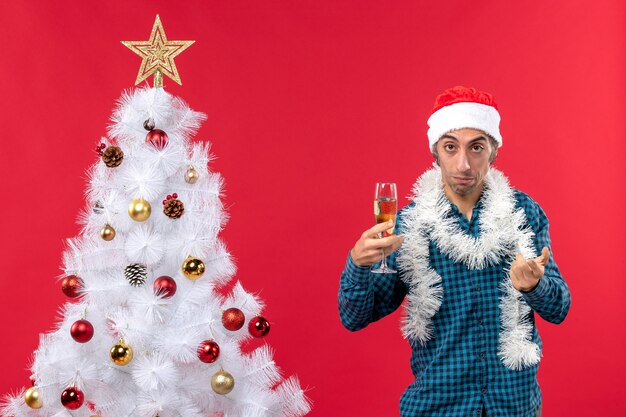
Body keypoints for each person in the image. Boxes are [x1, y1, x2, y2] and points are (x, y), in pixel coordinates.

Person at [338, 86, 571, 417]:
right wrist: (358, 265)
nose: (463, 164)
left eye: (476, 147)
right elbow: (354, 318)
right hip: (439, 407)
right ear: (435, 152)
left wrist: (535, 286)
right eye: (451, 147)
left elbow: (559, 308)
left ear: (494, 152)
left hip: (514, 405)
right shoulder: (408, 225)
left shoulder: (525, 214)